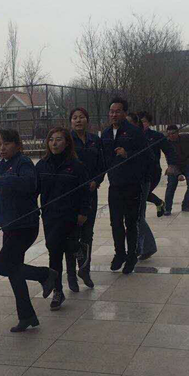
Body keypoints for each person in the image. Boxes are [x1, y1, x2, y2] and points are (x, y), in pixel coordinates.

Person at [0, 129, 56, 332]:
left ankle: (45, 274)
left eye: (6, 144)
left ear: (17, 145)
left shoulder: (23, 163)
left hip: (25, 225)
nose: (2, 148)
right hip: (9, 226)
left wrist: (2, 180)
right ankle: (27, 316)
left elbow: (29, 184)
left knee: (3, 266)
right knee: (14, 271)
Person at [36, 128, 90, 310]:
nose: (54, 143)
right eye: (51, 139)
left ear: (67, 143)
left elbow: (85, 192)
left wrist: (84, 212)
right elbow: (33, 188)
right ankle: (78, 251)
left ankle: (57, 291)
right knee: (54, 250)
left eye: (58, 139)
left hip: (69, 215)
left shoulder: (76, 166)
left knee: (55, 250)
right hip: (49, 216)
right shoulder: (42, 165)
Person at [101, 97, 147, 274]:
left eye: (118, 111)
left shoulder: (134, 132)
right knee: (115, 222)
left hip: (132, 185)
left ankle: (131, 256)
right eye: (111, 112)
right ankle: (119, 253)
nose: (114, 115)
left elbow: (146, 156)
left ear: (125, 113)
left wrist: (128, 154)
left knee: (131, 222)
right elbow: (102, 160)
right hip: (114, 185)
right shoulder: (105, 133)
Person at [68, 107, 105, 289]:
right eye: (75, 118)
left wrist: (96, 181)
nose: (78, 120)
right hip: (72, 193)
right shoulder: (67, 140)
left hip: (90, 192)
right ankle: (71, 275)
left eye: (81, 117)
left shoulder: (95, 140)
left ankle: (85, 270)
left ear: (87, 120)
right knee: (71, 234)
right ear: (70, 121)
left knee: (87, 233)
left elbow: (102, 165)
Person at [126, 112, 157, 262]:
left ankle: (147, 247)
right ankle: (138, 247)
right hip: (125, 183)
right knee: (133, 217)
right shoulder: (121, 136)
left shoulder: (141, 137)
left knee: (137, 216)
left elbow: (151, 161)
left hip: (141, 181)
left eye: (128, 122)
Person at [139, 112, 177, 217]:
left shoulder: (156, 136)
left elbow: (169, 150)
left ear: (149, 123)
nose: (142, 124)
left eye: (144, 122)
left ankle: (158, 204)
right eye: (139, 122)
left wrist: (171, 165)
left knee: (143, 193)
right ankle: (159, 203)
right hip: (137, 172)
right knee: (138, 194)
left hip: (153, 171)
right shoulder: (132, 136)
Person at [164, 125, 189, 215]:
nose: (171, 136)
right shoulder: (167, 143)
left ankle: (186, 205)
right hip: (174, 166)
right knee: (171, 187)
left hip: (188, 165)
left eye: (173, 133)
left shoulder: (186, 137)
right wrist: (178, 174)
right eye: (169, 134)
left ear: (178, 132)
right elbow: (170, 161)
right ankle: (167, 208)